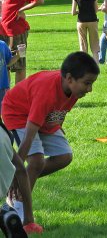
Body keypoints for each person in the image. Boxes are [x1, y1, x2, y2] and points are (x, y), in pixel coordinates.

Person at [1, 52, 99, 222]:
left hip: (43, 118)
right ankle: (17, 205)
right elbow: (30, 132)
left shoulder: (74, 91)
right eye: (87, 83)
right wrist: (19, 168)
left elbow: (60, 111)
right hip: (18, 113)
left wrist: (58, 128)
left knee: (64, 156)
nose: (90, 89)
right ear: (69, 78)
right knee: (36, 161)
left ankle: (19, 181)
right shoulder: (46, 91)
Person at [0, 0, 44, 84]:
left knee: (20, 65)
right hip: (4, 31)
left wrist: (22, 10)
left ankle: (19, 96)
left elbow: (40, 0)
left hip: (18, 32)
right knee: (5, 64)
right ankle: (7, 94)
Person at [0, 120, 43, 235]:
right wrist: (29, 219)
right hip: (3, 137)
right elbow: (21, 169)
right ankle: (8, 216)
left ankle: (3, 215)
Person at [71, 0, 99, 64]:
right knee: (94, 46)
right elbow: (96, 10)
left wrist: (80, 11)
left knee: (83, 45)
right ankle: (96, 65)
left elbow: (73, 12)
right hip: (92, 21)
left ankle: (85, 66)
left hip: (81, 21)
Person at [0, 40, 20, 114]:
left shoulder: (2, 45)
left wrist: (18, 56)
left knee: (4, 111)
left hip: (2, 86)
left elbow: (8, 61)